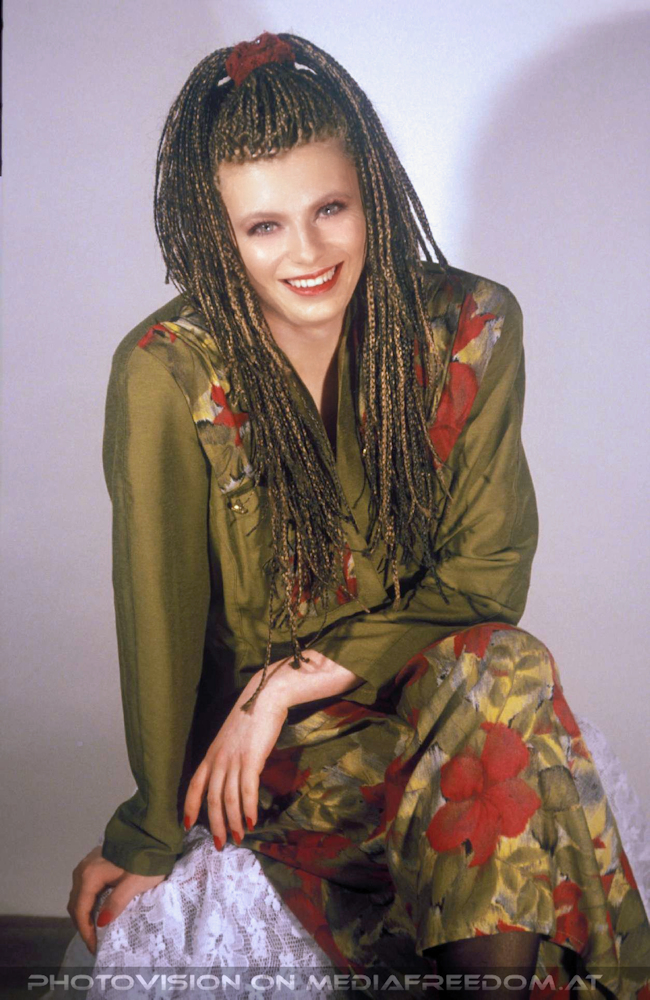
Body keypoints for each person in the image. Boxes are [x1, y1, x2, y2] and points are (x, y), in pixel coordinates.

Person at [67, 31, 650, 999]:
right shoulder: (168, 371)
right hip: (285, 760)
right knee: (513, 740)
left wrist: (282, 683)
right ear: (216, 234)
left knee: (503, 663)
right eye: (263, 226)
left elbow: (485, 575)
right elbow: (159, 620)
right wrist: (150, 830)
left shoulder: (470, 325)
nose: (306, 253)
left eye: (329, 209)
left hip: (441, 702)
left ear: (370, 191)